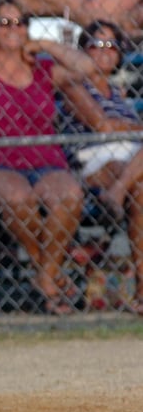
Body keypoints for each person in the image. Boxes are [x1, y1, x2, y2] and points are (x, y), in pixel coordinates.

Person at [0, 0, 96, 314]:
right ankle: (50, 274)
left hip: (45, 161)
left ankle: (44, 276)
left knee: (69, 194)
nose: (14, 29)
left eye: (20, 23)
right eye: (4, 23)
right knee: (18, 197)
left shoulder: (42, 69)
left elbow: (87, 68)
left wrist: (45, 44)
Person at [58, 20, 143, 312]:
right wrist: (135, 127)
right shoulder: (72, 84)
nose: (105, 52)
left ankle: (117, 193)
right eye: (97, 44)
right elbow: (101, 126)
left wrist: (130, 129)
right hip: (92, 158)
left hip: (131, 161)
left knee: (140, 189)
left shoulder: (119, 95)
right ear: (82, 50)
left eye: (112, 46)